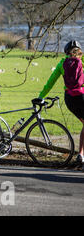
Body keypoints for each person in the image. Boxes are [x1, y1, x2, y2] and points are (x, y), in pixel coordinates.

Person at [39, 40, 84, 169]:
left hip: (69, 99)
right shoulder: (82, 61)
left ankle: (81, 154)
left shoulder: (61, 64)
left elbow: (51, 82)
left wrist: (41, 96)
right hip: (82, 95)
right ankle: (81, 154)